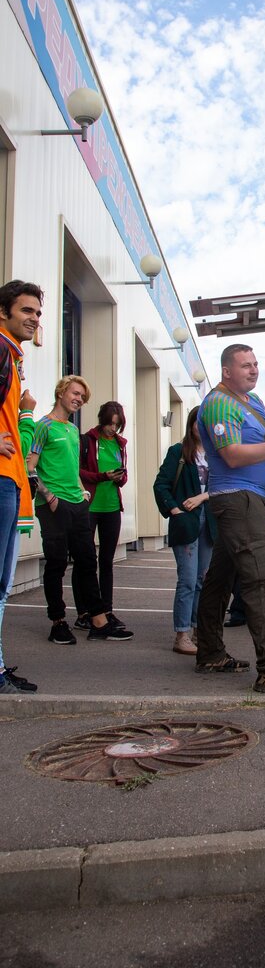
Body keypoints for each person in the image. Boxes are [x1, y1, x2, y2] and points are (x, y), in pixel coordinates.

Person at [194, 343, 265, 695]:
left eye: (256, 364)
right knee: (259, 582)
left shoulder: (253, 403)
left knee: (219, 580)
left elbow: (262, 440)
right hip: (236, 499)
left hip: (253, 498)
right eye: (245, 365)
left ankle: (211, 653)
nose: (254, 370)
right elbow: (230, 455)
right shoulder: (217, 403)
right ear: (227, 371)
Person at [27, 376, 133, 644]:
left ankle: (98, 620)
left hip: (77, 502)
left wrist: (82, 491)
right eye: (75, 393)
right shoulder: (44, 426)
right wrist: (48, 495)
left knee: (87, 561)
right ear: (61, 392)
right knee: (57, 563)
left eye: (82, 397)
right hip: (52, 504)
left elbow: (73, 468)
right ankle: (58, 622)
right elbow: (30, 467)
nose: (78, 399)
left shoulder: (73, 430)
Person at [0, 280, 42, 695]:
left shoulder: (12, 358)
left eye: (38, 313)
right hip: (1, 480)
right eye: (26, 310)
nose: (34, 319)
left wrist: (24, 413)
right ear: (3, 312)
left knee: (1, 584)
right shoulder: (0, 349)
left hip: (10, 480)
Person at [154, 405, 216, 655]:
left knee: (204, 580)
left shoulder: (218, 455)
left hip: (209, 523)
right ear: (191, 425)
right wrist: (174, 510)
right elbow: (161, 485)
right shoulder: (179, 452)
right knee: (188, 580)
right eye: (197, 422)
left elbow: (224, 487)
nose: (201, 427)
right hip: (186, 523)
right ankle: (182, 634)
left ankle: (198, 629)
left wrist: (203, 498)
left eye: (206, 422)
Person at [75, 400, 127, 628]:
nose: (112, 429)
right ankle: (84, 612)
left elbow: (123, 479)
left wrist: (119, 477)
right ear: (102, 420)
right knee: (85, 561)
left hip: (112, 507)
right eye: (109, 424)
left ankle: (106, 609)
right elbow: (79, 472)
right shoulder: (87, 440)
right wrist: (103, 476)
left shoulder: (119, 444)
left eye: (116, 425)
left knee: (107, 561)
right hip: (90, 506)